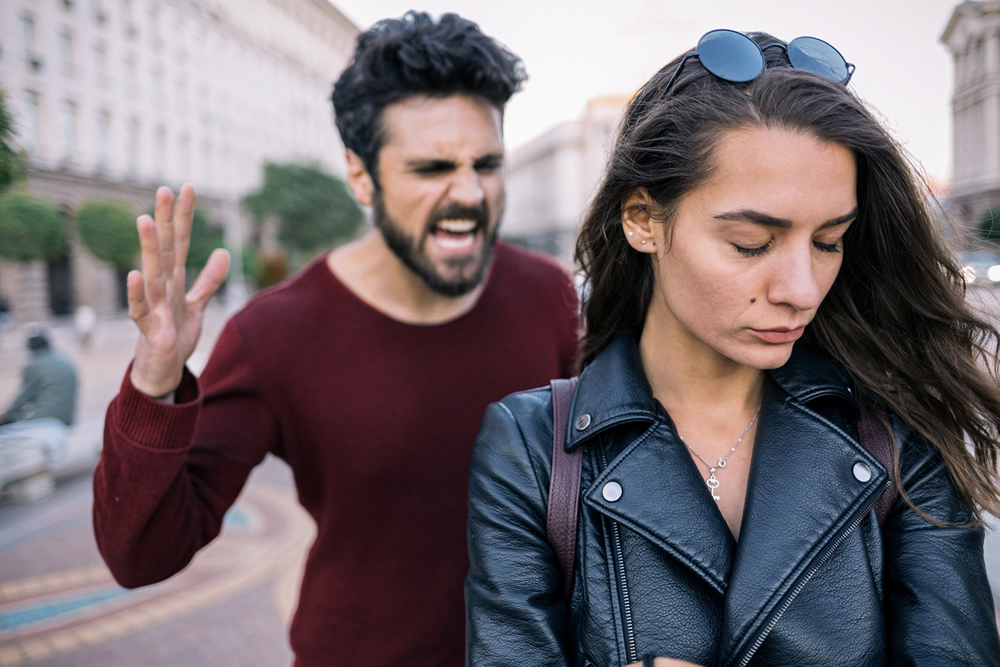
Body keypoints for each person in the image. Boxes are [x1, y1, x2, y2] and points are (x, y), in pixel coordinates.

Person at [466, 29, 1000, 666]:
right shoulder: (532, 449)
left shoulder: (898, 438)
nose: (801, 289)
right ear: (642, 219)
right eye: (752, 242)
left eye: (829, 241)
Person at [92, 12, 579, 666]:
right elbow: (140, 555)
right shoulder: (274, 333)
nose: (469, 193)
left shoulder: (550, 295)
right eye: (432, 167)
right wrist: (154, 380)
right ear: (360, 174)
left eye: (486, 163)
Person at [0, 328, 77, 463]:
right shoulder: (66, 360)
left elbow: (23, 397)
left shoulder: (33, 365)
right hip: (67, 418)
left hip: (46, 419)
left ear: (30, 349)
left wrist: (6, 414)